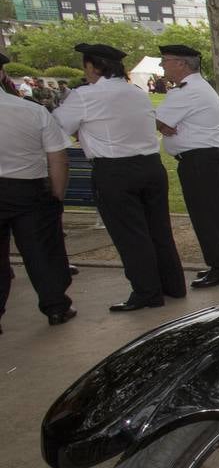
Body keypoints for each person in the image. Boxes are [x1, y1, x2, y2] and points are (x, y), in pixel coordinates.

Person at [53, 43, 185, 312]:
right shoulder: (136, 93)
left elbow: (58, 127)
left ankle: (147, 292)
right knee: (158, 230)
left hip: (115, 170)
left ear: (92, 67)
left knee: (130, 234)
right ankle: (172, 285)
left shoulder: (84, 96)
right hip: (150, 166)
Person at [1, 50, 77, 332]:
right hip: (27, 188)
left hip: (26, 190)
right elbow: (58, 158)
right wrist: (57, 195)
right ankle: (56, 306)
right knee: (42, 252)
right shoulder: (30, 110)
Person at [155, 45, 219, 289]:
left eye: (166, 61)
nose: (163, 66)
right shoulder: (198, 88)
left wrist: (162, 125)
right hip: (211, 158)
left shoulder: (187, 91)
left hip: (201, 161)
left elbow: (158, 120)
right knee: (216, 214)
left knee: (206, 216)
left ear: (181, 63)